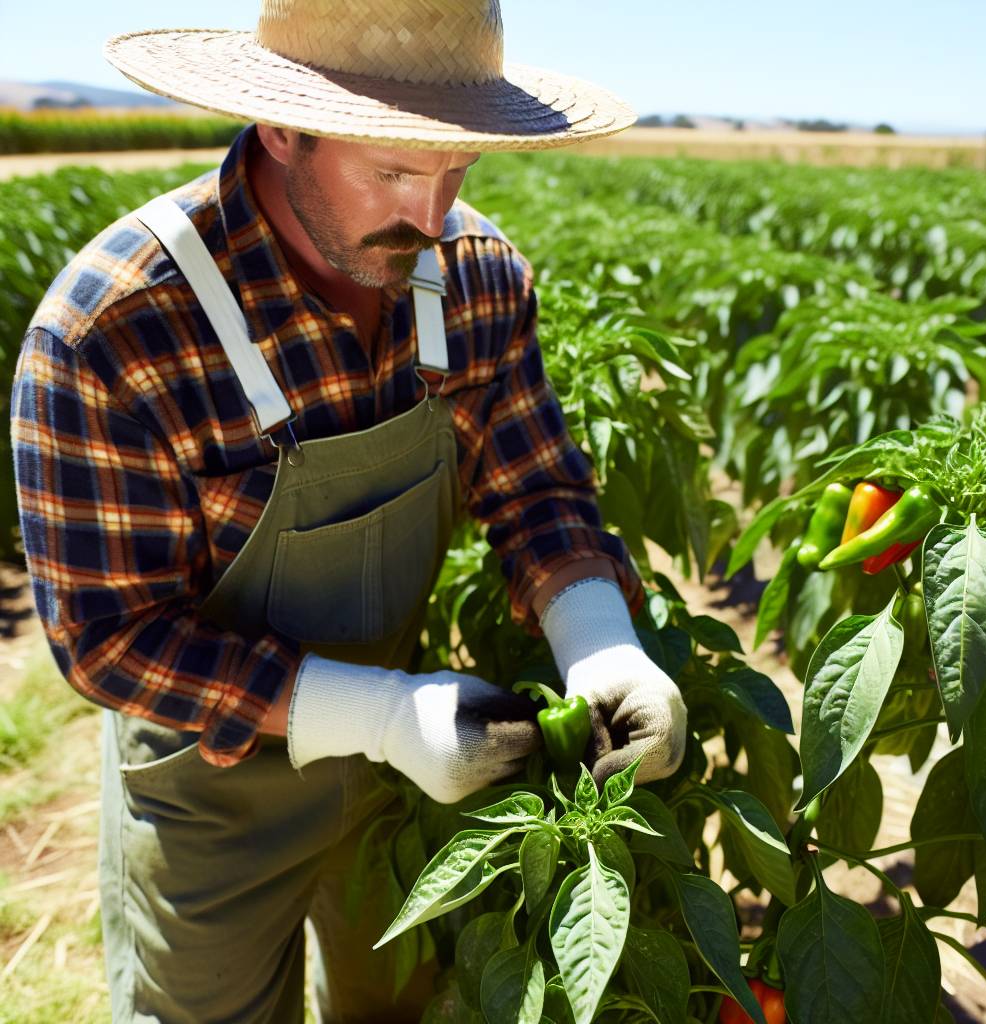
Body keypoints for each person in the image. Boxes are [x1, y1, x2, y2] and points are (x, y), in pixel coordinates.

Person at [10, 1, 688, 1021]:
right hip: (216, 786)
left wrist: (600, 645)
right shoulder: (117, 328)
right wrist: (369, 715)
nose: (432, 213)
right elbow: (109, 638)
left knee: (398, 1005)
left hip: (415, 759)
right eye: (393, 172)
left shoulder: (472, 277)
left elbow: (534, 485)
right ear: (283, 131)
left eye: (457, 169)